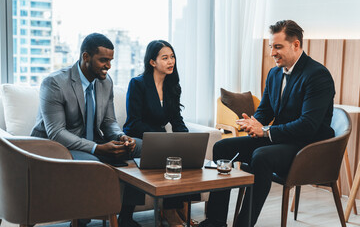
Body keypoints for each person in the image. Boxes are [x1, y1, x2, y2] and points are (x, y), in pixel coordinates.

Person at [199, 20, 335, 227]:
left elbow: (308, 125)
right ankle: (216, 221)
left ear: (296, 45)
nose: (272, 52)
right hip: (280, 139)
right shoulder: (274, 74)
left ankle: (243, 224)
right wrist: (253, 122)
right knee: (221, 147)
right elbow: (265, 110)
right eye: (271, 46)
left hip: (306, 146)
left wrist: (264, 131)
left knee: (261, 156)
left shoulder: (317, 75)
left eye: (278, 47)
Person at [31, 33, 144, 227]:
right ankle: (81, 222)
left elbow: (109, 121)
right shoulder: (55, 83)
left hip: (90, 142)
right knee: (93, 162)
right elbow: (56, 133)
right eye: (103, 60)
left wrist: (121, 136)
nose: (108, 66)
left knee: (142, 147)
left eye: (110, 60)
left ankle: (126, 217)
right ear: (86, 57)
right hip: (55, 148)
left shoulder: (106, 82)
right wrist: (97, 149)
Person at [123, 40, 195, 226]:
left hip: (160, 139)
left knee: (185, 155)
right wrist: (162, 139)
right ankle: (169, 213)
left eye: (172, 57)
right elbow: (134, 122)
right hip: (138, 136)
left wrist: (186, 139)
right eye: (165, 58)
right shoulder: (138, 84)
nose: (170, 61)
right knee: (168, 153)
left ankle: (178, 208)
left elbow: (176, 120)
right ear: (152, 62)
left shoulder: (172, 87)